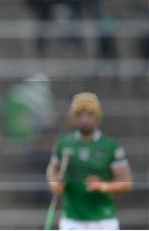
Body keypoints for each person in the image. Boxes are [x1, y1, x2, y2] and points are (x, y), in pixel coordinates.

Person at [46, 92, 132, 230]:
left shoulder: (110, 146)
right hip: (72, 219)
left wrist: (103, 186)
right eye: (80, 115)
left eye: (89, 114)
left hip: (103, 219)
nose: (85, 119)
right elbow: (53, 168)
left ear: (97, 116)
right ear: (73, 117)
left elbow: (126, 183)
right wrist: (54, 182)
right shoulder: (64, 144)